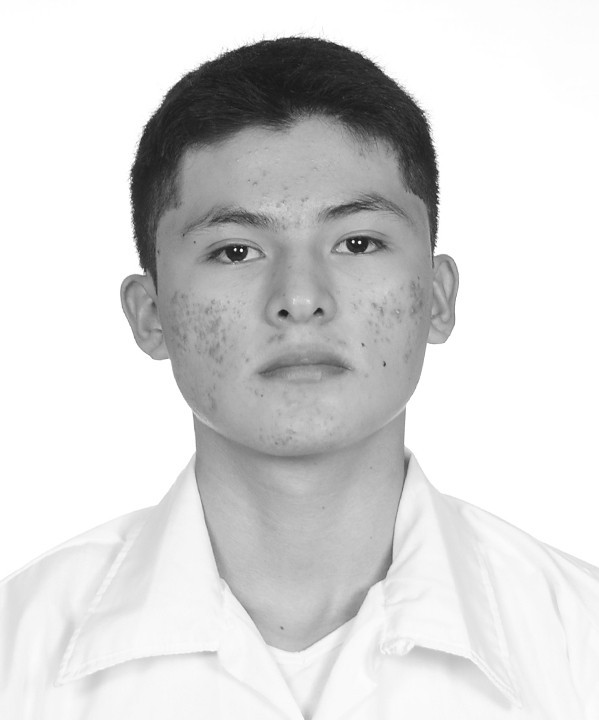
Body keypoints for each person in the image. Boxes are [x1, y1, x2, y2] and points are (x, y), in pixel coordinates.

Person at [1, 36, 597, 720]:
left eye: (357, 242)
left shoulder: (580, 645)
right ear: (150, 314)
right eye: (235, 250)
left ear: (436, 297)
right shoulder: (18, 655)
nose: (300, 297)